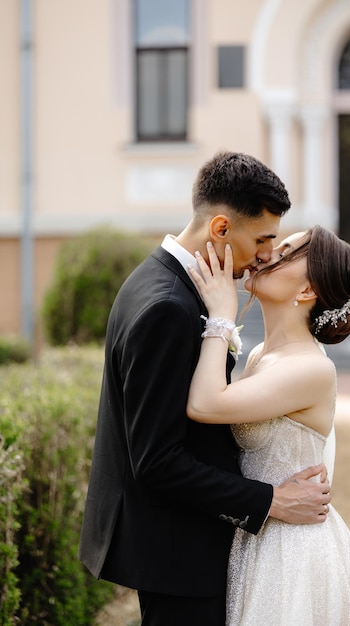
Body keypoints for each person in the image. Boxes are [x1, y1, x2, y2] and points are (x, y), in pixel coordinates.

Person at [78, 152, 332, 626]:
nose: (263, 254)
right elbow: (156, 460)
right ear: (220, 228)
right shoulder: (168, 307)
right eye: (260, 239)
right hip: (178, 551)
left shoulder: (163, 281)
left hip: (187, 544)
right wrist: (271, 501)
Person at [187, 226, 350, 625]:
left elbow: (204, 403)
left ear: (306, 292)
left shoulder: (309, 369)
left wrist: (220, 318)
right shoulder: (263, 355)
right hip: (258, 534)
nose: (266, 254)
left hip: (292, 551)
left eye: (284, 251)